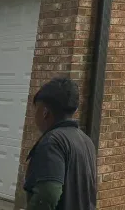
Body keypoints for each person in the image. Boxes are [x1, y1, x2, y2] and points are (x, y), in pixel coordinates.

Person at [23, 77, 97, 210]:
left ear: (45, 112)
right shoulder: (86, 141)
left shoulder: (52, 142)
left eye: (36, 109)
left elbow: (48, 194)